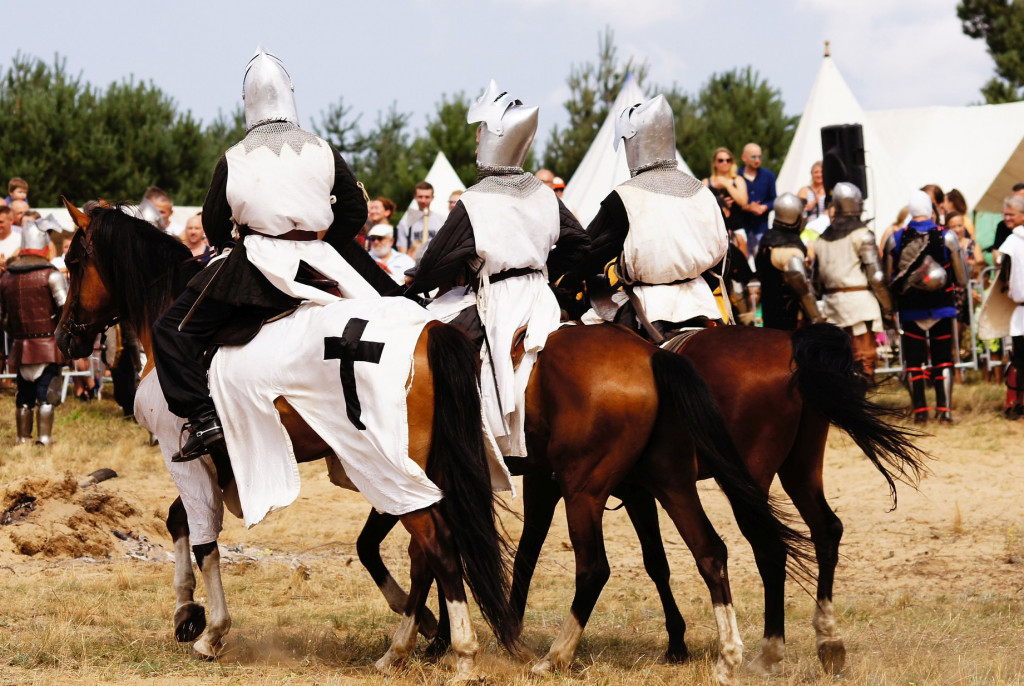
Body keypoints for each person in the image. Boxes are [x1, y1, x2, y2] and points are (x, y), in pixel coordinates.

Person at [151, 48, 398, 462]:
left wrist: (236, 250)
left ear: (247, 102)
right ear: (291, 96)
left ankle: (203, 418)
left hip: (254, 266)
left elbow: (214, 223)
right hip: (321, 261)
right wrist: (321, 249)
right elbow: (354, 210)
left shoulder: (234, 156)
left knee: (170, 331)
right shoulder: (323, 147)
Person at [407, 80, 589, 456]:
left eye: (479, 137)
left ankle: (458, 439)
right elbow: (581, 244)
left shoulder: (476, 199)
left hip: (496, 299)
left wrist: (416, 281)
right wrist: (539, 270)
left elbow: (436, 263)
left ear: (495, 139)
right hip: (541, 297)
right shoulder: (543, 193)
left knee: (429, 347)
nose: (476, 145)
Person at [575, 94, 728, 338]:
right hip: (704, 304)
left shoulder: (626, 196)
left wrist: (564, 278)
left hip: (648, 308)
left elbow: (588, 249)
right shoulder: (702, 191)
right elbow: (722, 256)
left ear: (633, 141)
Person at [884, 189, 969, 423]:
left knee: (913, 361)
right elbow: (962, 277)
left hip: (910, 309)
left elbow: (887, 278)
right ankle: (945, 411)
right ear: (931, 210)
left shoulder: (896, 238)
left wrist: (890, 306)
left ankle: (920, 412)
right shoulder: (947, 236)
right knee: (943, 359)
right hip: (941, 306)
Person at [813, 182, 892, 382]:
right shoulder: (862, 235)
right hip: (859, 304)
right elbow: (876, 277)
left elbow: (817, 281)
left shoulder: (821, 239)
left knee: (839, 359)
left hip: (832, 304)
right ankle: (860, 399)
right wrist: (889, 305)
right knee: (864, 358)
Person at [0, 220, 68, 445]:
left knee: (24, 395)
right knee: (47, 394)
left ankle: (22, 438)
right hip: (48, 343)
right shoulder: (51, 275)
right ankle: (44, 438)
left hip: (20, 345)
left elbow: (3, 316)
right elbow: (67, 310)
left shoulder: (7, 277)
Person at [755, 192, 822, 330]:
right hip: (788, 316)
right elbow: (803, 288)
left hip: (769, 309)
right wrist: (817, 317)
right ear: (795, 217)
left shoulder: (767, 239)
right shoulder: (790, 251)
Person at [703, 147, 748, 255]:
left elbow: (743, 202)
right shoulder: (707, 182)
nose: (725, 163)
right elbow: (701, 206)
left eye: (728, 160)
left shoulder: (738, 180)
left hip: (736, 228)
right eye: (721, 160)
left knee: (741, 262)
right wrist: (720, 204)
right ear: (715, 163)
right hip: (715, 231)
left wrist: (727, 185)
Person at [737, 142, 777, 258]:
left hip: (762, 226)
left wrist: (765, 207)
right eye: (753, 157)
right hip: (742, 227)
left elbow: (774, 199)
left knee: (763, 260)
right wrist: (748, 207)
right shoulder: (736, 176)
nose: (757, 160)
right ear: (744, 158)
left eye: (760, 156)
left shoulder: (769, 176)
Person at [395, 181, 447, 259]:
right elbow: (402, 250)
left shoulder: (442, 220)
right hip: (414, 265)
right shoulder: (406, 222)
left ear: (432, 198)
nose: (423, 200)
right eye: (420, 197)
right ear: (415, 197)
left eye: (427, 197)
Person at [992, 186, 1024, 259]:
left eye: (1011, 215)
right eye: (1005, 214)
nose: (1007, 218)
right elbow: (997, 259)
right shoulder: (1002, 226)